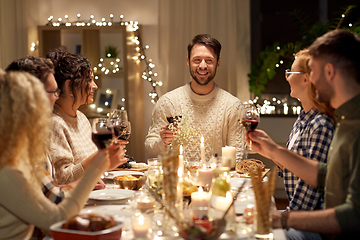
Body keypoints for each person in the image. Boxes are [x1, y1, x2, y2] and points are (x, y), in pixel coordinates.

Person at [247, 29, 360, 239]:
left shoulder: (354, 125)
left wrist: (282, 219)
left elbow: (354, 215)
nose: (311, 79)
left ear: (329, 72)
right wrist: (272, 150)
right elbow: (325, 175)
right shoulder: (345, 118)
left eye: (313, 71)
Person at [0, 70, 111, 239]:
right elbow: (56, 222)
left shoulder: (16, 154)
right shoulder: (6, 170)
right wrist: (93, 170)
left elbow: (49, 200)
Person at [145, 34, 245, 162]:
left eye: (209, 60)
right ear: (188, 61)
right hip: (177, 180)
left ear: (218, 63)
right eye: (197, 60)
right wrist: (162, 142)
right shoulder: (168, 102)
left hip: (216, 180)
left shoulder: (233, 106)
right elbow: (150, 151)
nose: (202, 66)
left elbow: (238, 157)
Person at [46, 49, 128, 184]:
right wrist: (100, 157)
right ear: (69, 85)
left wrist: (108, 154)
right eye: (89, 80)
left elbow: (92, 166)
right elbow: (63, 179)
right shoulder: (55, 123)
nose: (95, 86)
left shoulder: (82, 118)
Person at [278, 49, 334, 212]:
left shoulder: (320, 125)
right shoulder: (304, 117)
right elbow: (296, 169)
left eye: (290, 72)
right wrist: (266, 150)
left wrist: (281, 218)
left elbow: (309, 196)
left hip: (313, 223)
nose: (287, 77)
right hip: (296, 212)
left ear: (305, 79)